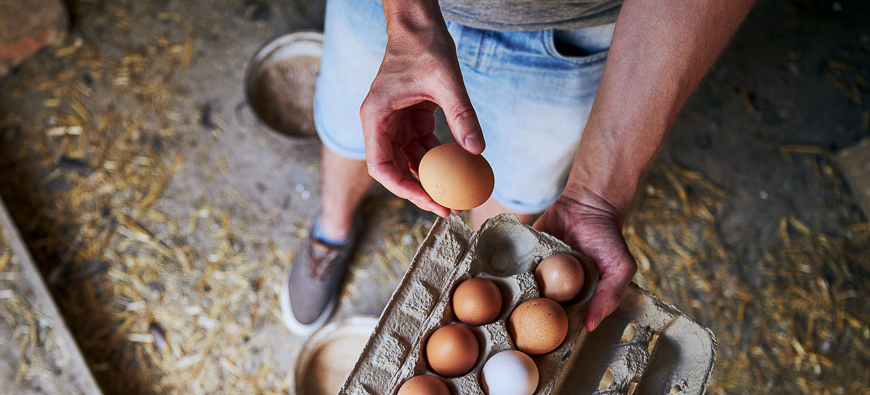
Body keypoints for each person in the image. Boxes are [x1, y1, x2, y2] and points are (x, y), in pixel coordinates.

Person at [281, 0, 754, 335]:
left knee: (511, 192)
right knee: (357, 131)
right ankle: (332, 231)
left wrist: (597, 198)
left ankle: (474, 288)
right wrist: (409, 19)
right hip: (385, 9)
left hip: (574, 31)